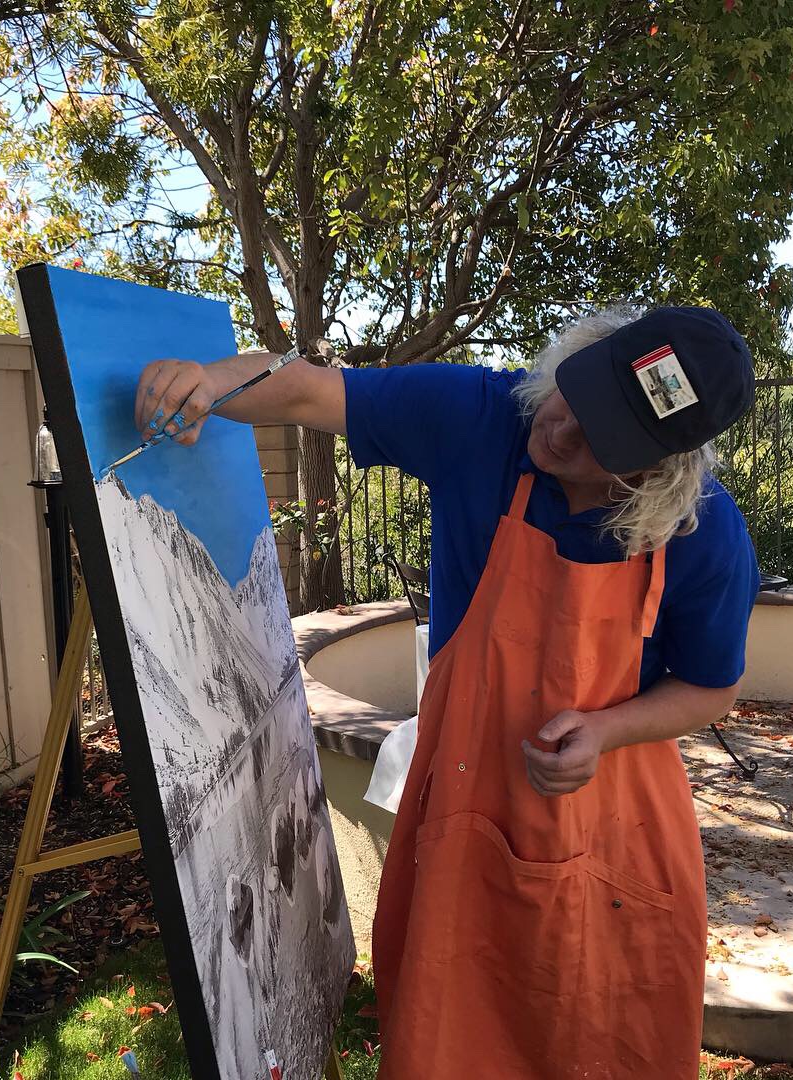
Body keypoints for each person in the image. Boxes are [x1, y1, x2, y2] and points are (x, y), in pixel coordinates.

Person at [133, 305, 760, 1079]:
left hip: (615, 834)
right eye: (579, 399)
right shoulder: (482, 419)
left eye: (604, 441)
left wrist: (608, 730)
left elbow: (710, 689)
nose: (564, 432)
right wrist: (211, 381)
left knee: (601, 1041)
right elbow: (307, 392)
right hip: (469, 812)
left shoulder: (703, 534)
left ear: (656, 469)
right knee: (454, 1035)